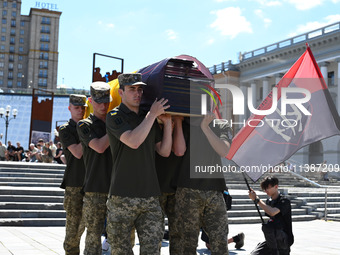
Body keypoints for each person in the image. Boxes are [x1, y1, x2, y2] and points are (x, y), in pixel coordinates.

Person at [106, 73, 172, 254]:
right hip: (122, 196)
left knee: (152, 249)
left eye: (140, 89)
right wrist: (152, 115)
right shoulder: (115, 116)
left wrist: (167, 124)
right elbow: (133, 141)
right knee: (121, 250)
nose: (137, 93)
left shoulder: (147, 117)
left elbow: (164, 151)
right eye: (132, 89)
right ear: (121, 92)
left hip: (150, 196)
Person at [174, 115, 232, 255]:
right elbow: (179, 150)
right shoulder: (183, 122)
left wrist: (205, 127)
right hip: (187, 190)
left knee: (220, 243)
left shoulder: (221, 125)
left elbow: (223, 150)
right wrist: (178, 123)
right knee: (186, 245)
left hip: (214, 190)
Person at [77, 82, 112, 255]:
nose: (103, 106)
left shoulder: (115, 121)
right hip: (95, 188)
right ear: (90, 101)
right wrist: (116, 130)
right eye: (99, 102)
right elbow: (99, 146)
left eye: (106, 101)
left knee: (123, 237)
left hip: (117, 188)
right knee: (93, 237)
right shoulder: (85, 125)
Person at [59, 94, 87, 255]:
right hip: (74, 183)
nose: (80, 111)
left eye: (83, 108)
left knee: (88, 226)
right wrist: (89, 135)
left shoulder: (89, 126)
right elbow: (77, 152)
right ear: (70, 108)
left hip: (91, 182)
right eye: (77, 108)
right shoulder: (65, 129)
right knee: (73, 230)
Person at [155, 116, 184, 254]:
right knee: (154, 236)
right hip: (156, 188)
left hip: (177, 187)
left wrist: (178, 122)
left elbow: (179, 150)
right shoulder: (152, 125)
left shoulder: (183, 125)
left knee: (179, 235)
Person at [248, 176, 294, 255]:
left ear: (276, 186)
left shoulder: (284, 201)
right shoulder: (269, 201)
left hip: (283, 241)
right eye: (264, 189)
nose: (265, 191)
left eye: (267, 188)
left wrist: (257, 200)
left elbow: (272, 212)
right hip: (272, 240)